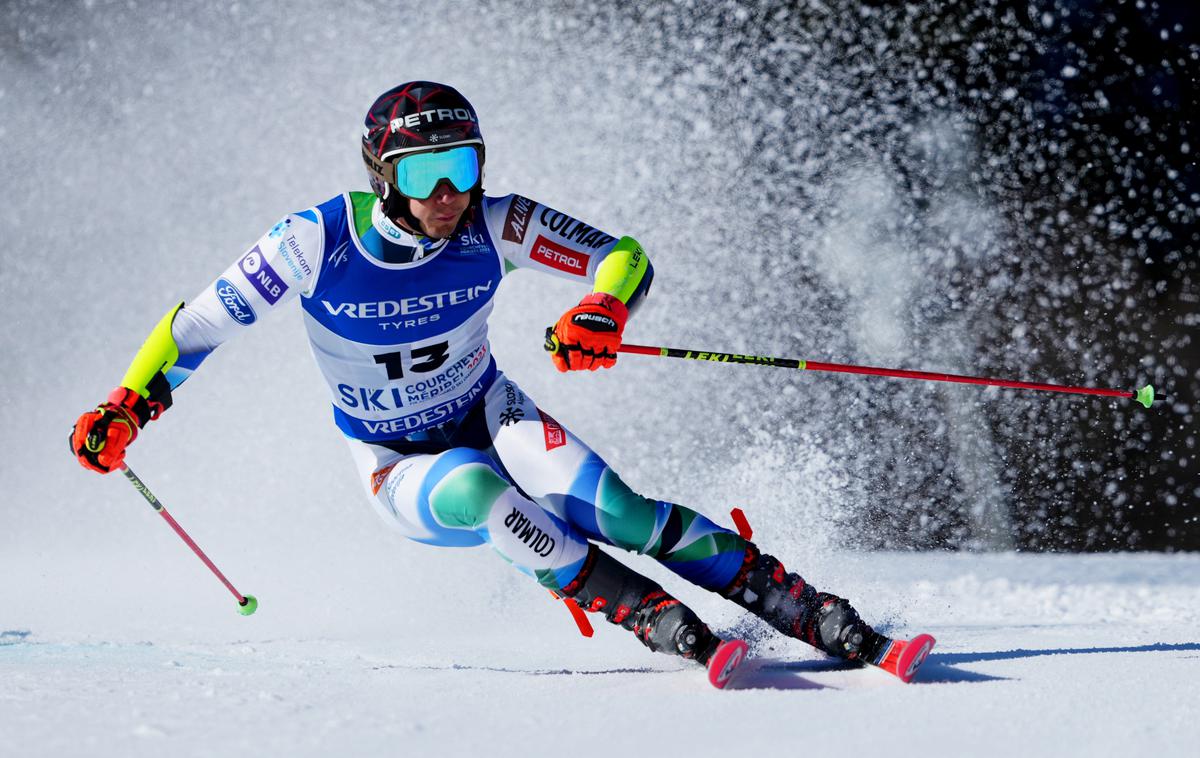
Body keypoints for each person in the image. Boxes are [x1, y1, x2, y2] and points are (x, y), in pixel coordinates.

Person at [71, 81, 925, 680]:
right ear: (382, 175)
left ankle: (807, 608)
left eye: (462, 164)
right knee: (483, 492)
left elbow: (620, 257)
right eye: (419, 174)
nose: (446, 192)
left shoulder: (493, 220)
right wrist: (127, 404)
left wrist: (603, 312)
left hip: (492, 408)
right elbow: (197, 327)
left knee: (621, 510)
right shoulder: (313, 241)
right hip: (395, 463)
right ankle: (647, 615)